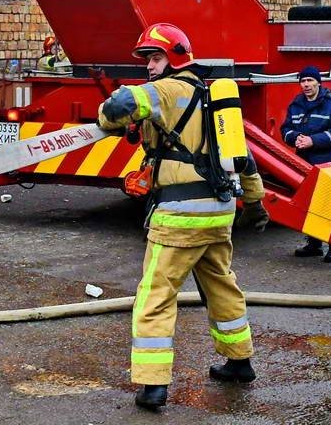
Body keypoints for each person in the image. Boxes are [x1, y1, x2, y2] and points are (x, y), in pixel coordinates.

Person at [97, 22, 268, 411]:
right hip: (219, 213)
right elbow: (243, 155)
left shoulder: (166, 90)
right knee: (222, 287)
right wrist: (256, 201)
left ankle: (153, 385)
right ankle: (240, 362)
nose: (150, 67)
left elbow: (119, 107)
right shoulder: (213, 96)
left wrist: (105, 119)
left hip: (178, 217)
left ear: (174, 57)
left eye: (155, 58)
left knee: (155, 297)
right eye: (147, 60)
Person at [280, 66, 331, 263]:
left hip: (327, 162)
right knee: (308, 203)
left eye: (310, 80)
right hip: (303, 161)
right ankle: (314, 244)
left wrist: (313, 140)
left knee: (329, 204)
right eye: (303, 81)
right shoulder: (296, 104)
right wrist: (295, 138)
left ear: (319, 82)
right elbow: (285, 128)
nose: (306, 85)